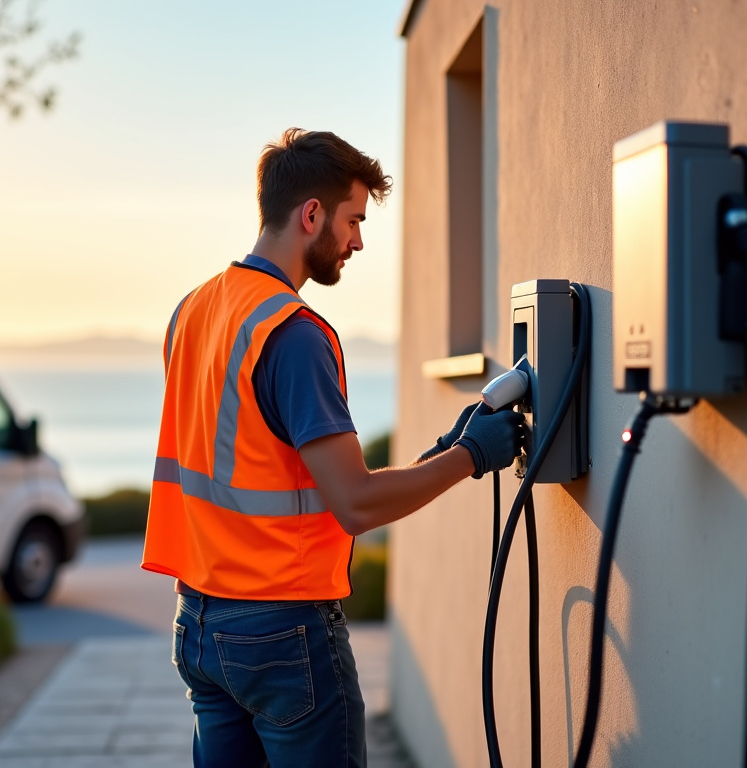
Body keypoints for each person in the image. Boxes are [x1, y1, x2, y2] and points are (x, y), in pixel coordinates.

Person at [142, 128, 525, 768]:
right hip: (281, 634)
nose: (358, 241)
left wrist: (439, 453)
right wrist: (472, 457)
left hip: (200, 626)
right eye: (352, 220)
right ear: (310, 214)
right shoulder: (292, 334)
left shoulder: (194, 311)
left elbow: (263, 458)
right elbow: (354, 503)